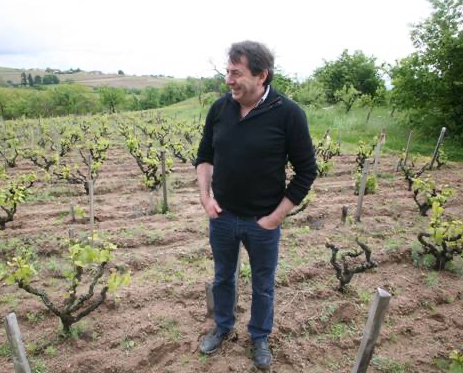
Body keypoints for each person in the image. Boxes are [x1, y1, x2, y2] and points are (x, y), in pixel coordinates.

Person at [195, 40, 317, 370]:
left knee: (263, 286)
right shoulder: (220, 109)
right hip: (222, 218)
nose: (229, 80)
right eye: (227, 72)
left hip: (262, 222)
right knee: (222, 278)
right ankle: (222, 327)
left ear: (262, 75)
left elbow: (307, 171)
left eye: (236, 73)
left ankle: (260, 336)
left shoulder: (288, 114)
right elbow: (205, 156)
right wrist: (206, 199)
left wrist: (276, 217)